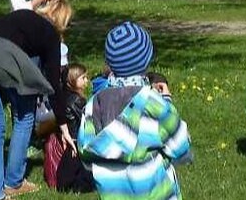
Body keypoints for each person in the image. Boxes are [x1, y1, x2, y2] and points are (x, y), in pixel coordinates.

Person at [0, 0, 76, 200]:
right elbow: (54, 85)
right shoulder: (50, 36)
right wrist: (64, 125)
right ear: (63, 22)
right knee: (24, 117)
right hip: (2, 57)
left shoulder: (23, 15)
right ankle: (13, 182)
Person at [77, 21, 191, 199]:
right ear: (147, 60)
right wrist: (167, 101)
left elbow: (86, 155)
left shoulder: (95, 104)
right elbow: (180, 146)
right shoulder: (153, 103)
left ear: (110, 63)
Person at [47, 63, 95, 193]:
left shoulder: (65, 96)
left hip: (70, 137)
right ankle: (76, 187)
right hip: (77, 139)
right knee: (79, 168)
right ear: (72, 80)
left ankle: (67, 185)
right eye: (83, 78)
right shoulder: (77, 101)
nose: (87, 81)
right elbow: (86, 121)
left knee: (71, 165)